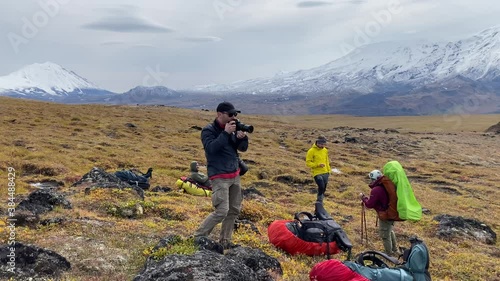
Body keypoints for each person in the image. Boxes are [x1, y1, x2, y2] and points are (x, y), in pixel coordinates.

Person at [194, 101, 249, 249]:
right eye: (230, 114)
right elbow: (211, 149)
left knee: (234, 210)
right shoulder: (208, 130)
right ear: (219, 114)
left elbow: (242, 149)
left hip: (234, 175)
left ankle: (225, 241)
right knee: (221, 211)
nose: (234, 117)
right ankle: (198, 237)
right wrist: (225, 133)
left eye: (235, 114)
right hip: (219, 176)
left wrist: (241, 138)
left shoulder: (232, 128)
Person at [359, 169, 399, 256]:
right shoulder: (385, 186)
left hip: (385, 215)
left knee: (385, 235)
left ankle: (389, 254)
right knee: (389, 231)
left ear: (373, 179)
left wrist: (363, 198)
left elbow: (369, 204)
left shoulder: (376, 190)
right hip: (392, 212)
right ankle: (395, 250)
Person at [306, 135, 331, 203]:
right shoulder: (311, 151)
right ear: (317, 142)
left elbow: (327, 160)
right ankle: (318, 202)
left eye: (323, 144)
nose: (322, 145)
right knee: (321, 187)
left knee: (324, 189)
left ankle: (320, 202)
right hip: (317, 173)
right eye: (321, 144)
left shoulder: (325, 150)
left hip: (326, 172)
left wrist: (329, 171)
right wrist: (317, 165)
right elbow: (308, 163)